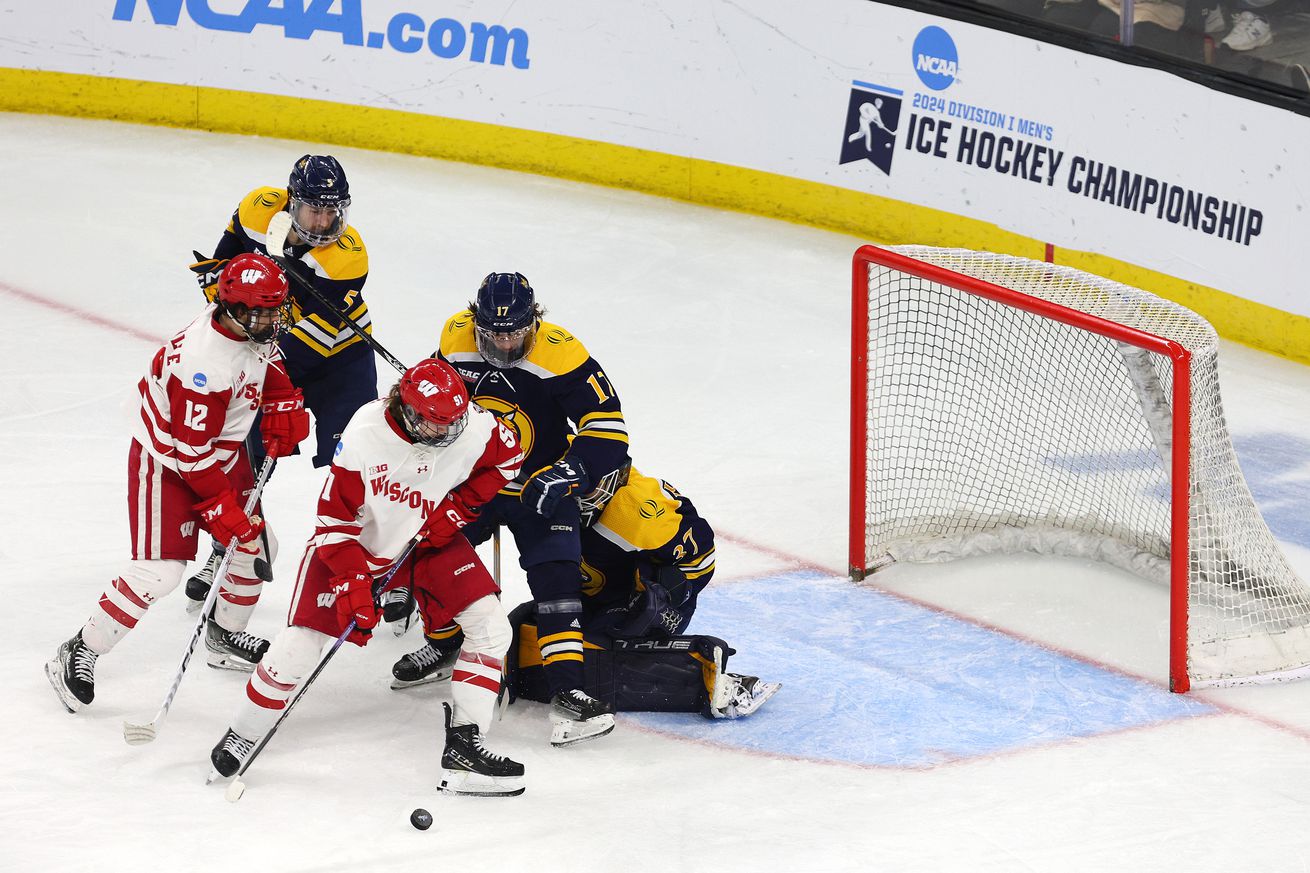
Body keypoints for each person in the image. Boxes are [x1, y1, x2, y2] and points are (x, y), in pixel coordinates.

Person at [208, 359, 527, 797]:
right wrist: (356, 587)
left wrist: (460, 508)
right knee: (300, 644)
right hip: (353, 547)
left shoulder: (469, 426)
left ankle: (464, 748)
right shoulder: (365, 433)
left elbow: (510, 456)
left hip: (427, 541)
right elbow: (334, 523)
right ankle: (244, 731)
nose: (448, 433)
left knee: (491, 627)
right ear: (409, 412)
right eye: (436, 424)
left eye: (455, 422)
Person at [45, 254, 309, 711]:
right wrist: (221, 508)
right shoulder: (202, 366)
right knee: (160, 572)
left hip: (215, 454)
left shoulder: (245, 323)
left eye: (274, 310)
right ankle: (79, 649)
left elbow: (267, 356)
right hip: (166, 462)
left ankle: (223, 637)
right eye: (264, 312)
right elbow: (190, 453)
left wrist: (282, 397)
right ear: (236, 309)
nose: (273, 320)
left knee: (257, 548)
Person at [403, 272, 629, 747]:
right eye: (493, 333)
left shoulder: (562, 353)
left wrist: (568, 473)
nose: (503, 343)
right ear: (475, 321)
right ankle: (444, 642)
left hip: (539, 485)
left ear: (534, 321)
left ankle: (569, 688)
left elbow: (608, 428)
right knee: (427, 549)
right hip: (474, 484)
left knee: (558, 578)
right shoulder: (455, 336)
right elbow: (426, 403)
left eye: (514, 333)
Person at [396, 460, 781, 720]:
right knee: (530, 625)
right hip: (595, 588)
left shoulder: (637, 513)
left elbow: (700, 560)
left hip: (645, 597)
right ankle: (446, 643)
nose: (575, 500)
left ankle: (702, 673)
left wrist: (662, 596)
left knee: (606, 644)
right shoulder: (542, 485)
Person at [184, 154, 375, 608]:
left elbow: (318, 337)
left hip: (338, 359)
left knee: (359, 465)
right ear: (292, 202)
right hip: (266, 349)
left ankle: (381, 565)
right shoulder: (258, 208)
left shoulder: (347, 256)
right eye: (315, 209)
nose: (326, 221)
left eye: (334, 210)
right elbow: (222, 274)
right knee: (238, 452)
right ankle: (227, 551)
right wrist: (225, 291)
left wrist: (268, 376)